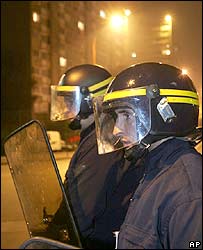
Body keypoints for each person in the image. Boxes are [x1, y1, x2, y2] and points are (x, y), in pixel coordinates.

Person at [93, 62, 202, 249]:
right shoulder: (157, 168)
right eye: (116, 117)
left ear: (165, 114)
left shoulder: (188, 192)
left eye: (126, 115)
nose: (117, 129)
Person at [50, 64, 145, 249]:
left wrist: (56, 236)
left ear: (89, 100)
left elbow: (81, 213)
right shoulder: (97, 136)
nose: (66, 106)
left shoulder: (101, 142)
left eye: (70, 100)